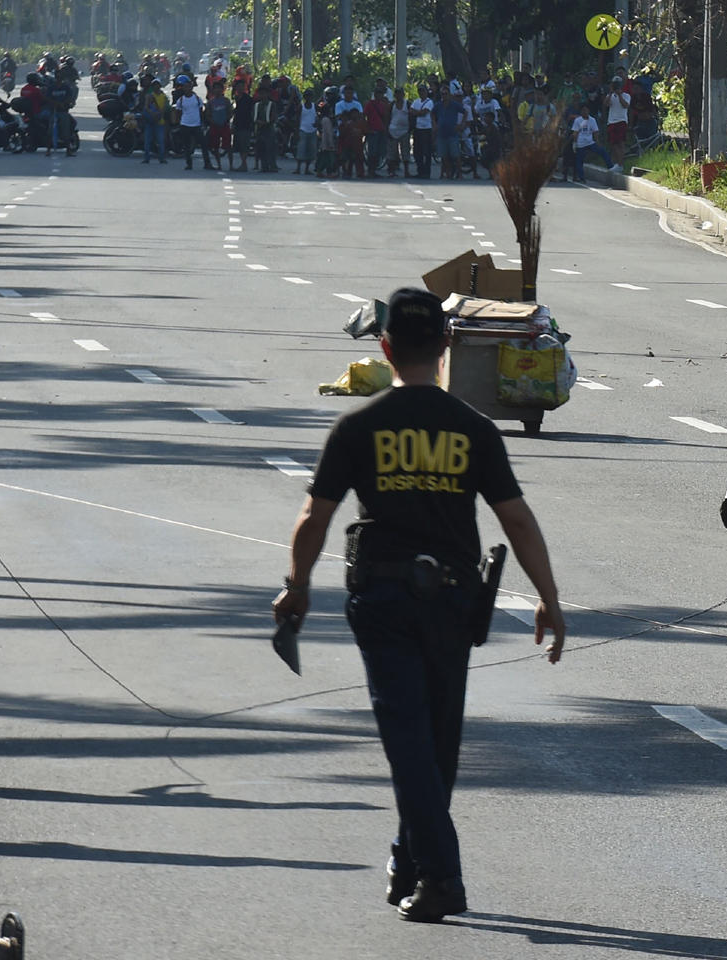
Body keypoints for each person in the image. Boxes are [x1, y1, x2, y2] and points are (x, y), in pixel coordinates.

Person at [272, 287, 565, 923]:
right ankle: (413, 860)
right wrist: (548, 598)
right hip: (452, 605)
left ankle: (440, 876)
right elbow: (515, 518)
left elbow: (312, 517)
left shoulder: (359, 427)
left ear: (384, 348)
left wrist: (296, 586)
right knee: (437, 744)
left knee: (409, 742)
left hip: (382, 600)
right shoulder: (473, 430)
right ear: (446, 348)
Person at [570, 102, 616, 183]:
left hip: (590, 142)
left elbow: (595, 132)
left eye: (586, 110)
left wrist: (597, 141)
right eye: (583, 110)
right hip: (580, 143)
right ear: (581, 111)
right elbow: (575, 133)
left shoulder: (592, 120)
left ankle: (611, 166)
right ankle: (582, 178)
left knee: (602, 151)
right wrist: (575, 143)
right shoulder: (578, 120)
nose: (585, 112)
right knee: (579, 161)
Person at [433, 86, 464, 180]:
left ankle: (460, 173)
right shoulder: (438, 105)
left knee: (456, 155)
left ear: (449, 94)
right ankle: (447, 173)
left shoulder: (454, 104)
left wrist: (461, 124)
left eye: (446, 94)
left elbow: (465, 112)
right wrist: (434, 124)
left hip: (452, 133)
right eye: (442, 94)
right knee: (444, 155)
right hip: (441, 133)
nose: (444, 96)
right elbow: (432, 113)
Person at [174, 75, 205, 170]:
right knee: (187, 146)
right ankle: (189, 164)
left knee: (203, 145)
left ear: (191, 87)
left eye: (189, 86)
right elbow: (178, 112)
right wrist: (180, 122)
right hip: (185, 125)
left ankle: (207, 163)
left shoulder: (197, 99)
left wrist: (201, 122)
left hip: (196, 125)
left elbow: (201, 111)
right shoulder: (181, 100)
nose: (187, 88)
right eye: (185, 87)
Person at [141, 77, 169, 165]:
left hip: (159, 121)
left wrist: (159, 113)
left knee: (160, 141)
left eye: (158, 85)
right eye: (155, 85)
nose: (156, 86)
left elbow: (165, 107)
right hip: (151, 121)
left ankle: (161, 158)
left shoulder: (163, 96)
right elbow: (146, 107)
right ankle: (147, 158)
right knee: (148, 141)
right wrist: (153, 113)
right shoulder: (150, 96)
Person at [605, 76, 631, 167]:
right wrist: (611, 92)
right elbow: (606, 104)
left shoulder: (626, 95)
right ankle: (616, 163)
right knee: (613, 144)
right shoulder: (610, 96)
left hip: (621, 121)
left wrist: (620, 94)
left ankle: (621, 164)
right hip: (611, 121)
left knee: (620, 143)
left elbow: (625, 105)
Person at [410, 84, 435, 179]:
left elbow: (424, 112)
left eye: (423, 91)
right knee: (417, 151)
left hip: (427, 129)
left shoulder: (429, 102)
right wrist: (417, 113)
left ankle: (427, 172)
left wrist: (417, 113)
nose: (421, 93)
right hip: (418, 128)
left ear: (426, 91)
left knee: (426, 152)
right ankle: (420, 171)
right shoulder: (416, 101)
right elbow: (411, 111)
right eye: (419, 91)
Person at [364, 87, 390, 177]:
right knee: (372, 151)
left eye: (381, 93)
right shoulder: (369, 104)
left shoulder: (383, 105)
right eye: (378, 93)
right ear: (374, 95)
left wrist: (386, 129)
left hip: (381, 130)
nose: (379, 95)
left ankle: (374, 170)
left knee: (379, 151)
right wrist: (367, 128)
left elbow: (385, 117)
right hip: (372, 130)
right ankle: (370, 170)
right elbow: (365, 116)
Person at [386, 86, 411, 177]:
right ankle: (391, 171)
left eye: (400, 93)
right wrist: (387, 130)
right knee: (392, 152)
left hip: (404, 131)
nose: (398, 95)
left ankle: (406, 171)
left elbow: (411, 116)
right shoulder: (392, 105)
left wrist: (410, 129)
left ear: (403, 95)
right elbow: (387, 117)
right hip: (392, 130)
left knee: (405, 151)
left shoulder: (407, 104)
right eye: (397, 93)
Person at [231, 79, 254, 172]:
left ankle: (244, 164)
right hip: (237, 124)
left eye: (242, 86)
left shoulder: (248, 99)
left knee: (245, 145)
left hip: (246, 124)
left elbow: (251, 112)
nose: (240, 88)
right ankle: (243, 164)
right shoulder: (236, 98)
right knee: (239, 145)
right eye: (239, 86)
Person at [295, 89, 317, 175]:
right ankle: (298, 168)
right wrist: (297, 131)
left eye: (310, 96)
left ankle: (307, 169)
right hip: (303, 129)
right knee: (301, 149)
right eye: (307, 96)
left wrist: (317, 123)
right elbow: (297, 119)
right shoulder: (301, 107)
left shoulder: (315, 106)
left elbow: (317, 116)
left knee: (311, 150)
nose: (309, 97)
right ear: (304, 97)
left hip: (312, 130)